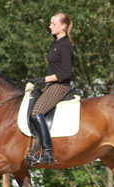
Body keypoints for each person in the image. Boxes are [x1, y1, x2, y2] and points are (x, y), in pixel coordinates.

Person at [30, 12, 74, 166]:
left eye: (53, 24)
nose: (50, 26)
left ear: (63, 26)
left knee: (36, 112)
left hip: (60, 86)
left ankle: (48, 152)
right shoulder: (57, 44)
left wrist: (44, 79)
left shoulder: (65, 45)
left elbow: (66, 72)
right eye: (50, 24)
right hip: (52, 85)